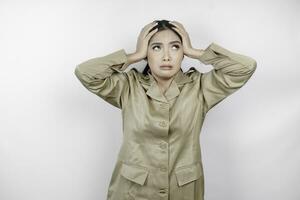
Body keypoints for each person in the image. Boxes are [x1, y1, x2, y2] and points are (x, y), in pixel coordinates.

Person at [74, 19, 257, 200]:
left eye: (175, 47)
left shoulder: (199, 87)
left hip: (182, 192)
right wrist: (133, 56)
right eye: (156, 47)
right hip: (132, 192)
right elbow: (85, 73)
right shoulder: (128, 86)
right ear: (147, 53)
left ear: (182, 52)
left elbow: (245, 68)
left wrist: (196, 52)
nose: (167, 56)